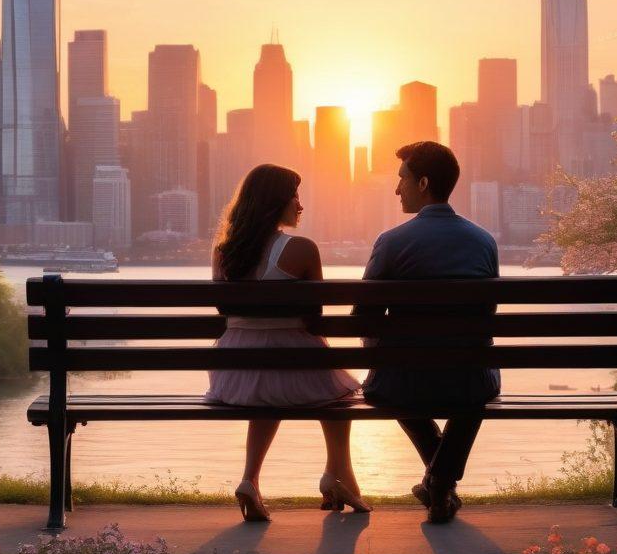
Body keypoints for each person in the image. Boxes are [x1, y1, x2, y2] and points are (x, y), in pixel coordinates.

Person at [208, 163, 369, 522]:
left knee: (270, 385)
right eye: (295, 196)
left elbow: (224, 310)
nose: (300, 204)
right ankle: (339, 476)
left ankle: (251, 479)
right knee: (342, 392)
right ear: (275, 202)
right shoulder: (301, 249)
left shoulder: (224, 251)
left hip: (233, 376)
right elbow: (314, 318)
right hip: (285, 364)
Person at [355, 141, 500, 524]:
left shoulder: (391, 242)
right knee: (475, 380)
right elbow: (486, 317)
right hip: (470, 381)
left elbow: (363, 317)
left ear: (422, 182)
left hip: (401, 383)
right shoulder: (484, 242)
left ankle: (438, 480)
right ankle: (441, 481)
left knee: (390, 382)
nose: (395, 188)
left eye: (401, 179)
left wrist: (381, 356)